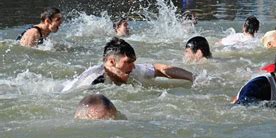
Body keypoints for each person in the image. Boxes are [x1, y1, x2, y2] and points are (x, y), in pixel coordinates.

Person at [62, 38, 194, 92]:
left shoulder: (131, 70)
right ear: (111, 62)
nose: (133, 67)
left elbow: (162, 69)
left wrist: (194, 77)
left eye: (133, 62)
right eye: (128, 62)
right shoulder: (91, 80)